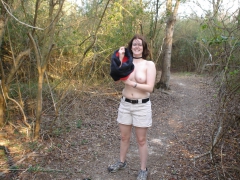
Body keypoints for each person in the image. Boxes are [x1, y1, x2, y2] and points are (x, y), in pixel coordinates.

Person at [108, 34, 156, 180]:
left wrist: (131, 83)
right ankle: (121, 162)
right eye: (134, 44)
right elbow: (116, 79)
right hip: (125, 104)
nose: (136, 46)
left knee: (141, 140)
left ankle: (143, 169)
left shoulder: (149, 65)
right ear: (130, 47)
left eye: (139, 44)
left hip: (142, 106)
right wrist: (120, 58)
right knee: (124, 137)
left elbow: (150, 88)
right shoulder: (126, 62)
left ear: (144, 48)